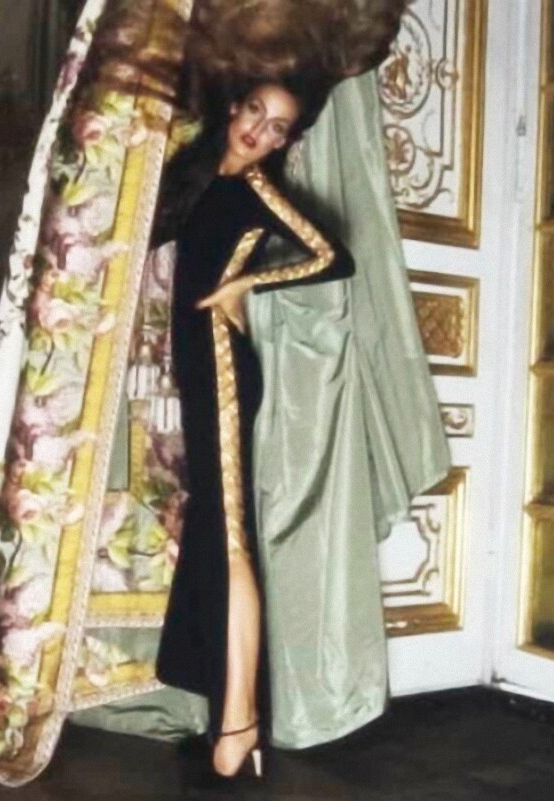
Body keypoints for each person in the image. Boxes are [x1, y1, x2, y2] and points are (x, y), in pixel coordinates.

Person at [153, 79, 355, 778]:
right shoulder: (198, 176)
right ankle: (229, 717)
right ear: (234, 107)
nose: (260, 131)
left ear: (284, 142)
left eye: (278, 128)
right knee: (215, 532)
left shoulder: (256, 191)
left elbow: (332, 255)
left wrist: (246, 285)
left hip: (223, 367)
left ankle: (239, 725)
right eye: (256, 113)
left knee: (231, 535)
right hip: (197, 367)